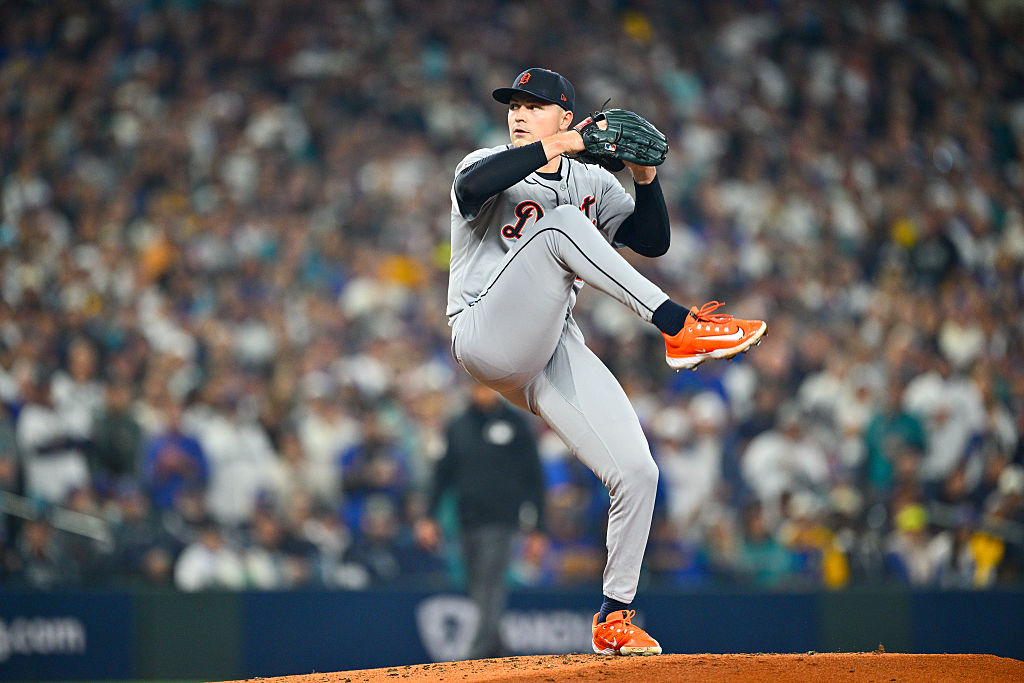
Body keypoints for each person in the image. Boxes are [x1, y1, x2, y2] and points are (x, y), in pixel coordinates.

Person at [446, 67, 767, 656]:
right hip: (482, 330)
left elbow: (652, 240)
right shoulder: (484, 162)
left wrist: (646, 178)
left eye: (536, 105)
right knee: (561, 224)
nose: (519, 113)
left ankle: (615, 616)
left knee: (638, 471)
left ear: (565, 113)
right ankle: (680, 328)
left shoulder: (593, 180)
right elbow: (473, 190)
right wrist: (561, 144)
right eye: (514, 105)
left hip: (549, 345)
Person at [416, 382, 546, 659]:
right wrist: (430, 517)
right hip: (466, 521)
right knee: (476, 586)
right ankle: (498, 648)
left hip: (502, 520)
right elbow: (443, 474)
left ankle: (477, 655)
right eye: (476, 386)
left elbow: (534, 479)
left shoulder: (516, 426)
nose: (481, 392)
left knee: (490, 584)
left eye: (486, 386)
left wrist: (538, 529)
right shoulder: (458, 425)